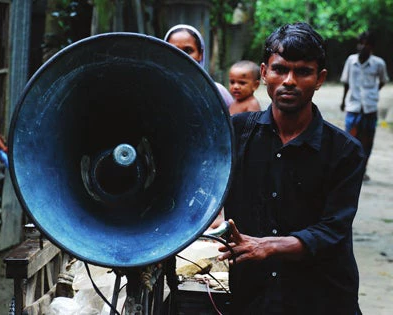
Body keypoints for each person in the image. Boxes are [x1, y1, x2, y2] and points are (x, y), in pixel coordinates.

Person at [217, 22, 365, 315]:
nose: (289, 81)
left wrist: (267, 246)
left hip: (321, 298)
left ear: (320, 78)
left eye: (303, 71)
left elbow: (332, 231)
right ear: (264, 73)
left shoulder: (345, 151)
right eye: (280, 69)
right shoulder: (233, 134)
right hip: (252, 297)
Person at [340, 31, 389, 181]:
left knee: (367, 142)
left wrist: (372, 94)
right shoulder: (351, 61)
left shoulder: (378, 63)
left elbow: (382, 80)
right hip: (353, 108)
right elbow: (346, 82)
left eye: (366, 44)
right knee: (349, 140)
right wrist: (343, 101)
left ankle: (362, 170)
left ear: (371, 47)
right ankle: (348, 171)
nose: (362, 46)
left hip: (369, 109)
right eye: (360, 43)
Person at [164, 24, 234, 108]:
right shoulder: (157, 90)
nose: (180, 55)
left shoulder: (216, 91)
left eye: (188, 50)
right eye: (173, 50)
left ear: (200, 54)